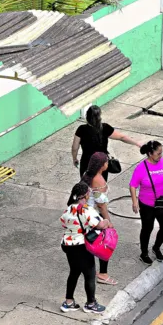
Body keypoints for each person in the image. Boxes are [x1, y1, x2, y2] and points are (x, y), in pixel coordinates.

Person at [130, 141, 163, 265]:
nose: (160, 156)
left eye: (161, 153)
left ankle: (156, 247)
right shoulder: (141, 168)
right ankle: (144, 253)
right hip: (147, 204)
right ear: (150, 153)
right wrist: (134, 202)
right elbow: (133, 185)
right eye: (158, 153)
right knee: (147, 229)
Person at [60, 182, 111, 314]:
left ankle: (68, 302)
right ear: (85, 195)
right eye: (89, 193)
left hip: (68, 245)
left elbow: (64, 224)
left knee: (74, 272)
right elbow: (99, 225)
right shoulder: (87, 209)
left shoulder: (69, 208)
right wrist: (106, 221)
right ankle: (91, 304)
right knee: (90, 274)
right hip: (81, 246)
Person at [72, 105, 143, 181]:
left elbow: (75, 148)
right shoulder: (105, 128)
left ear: (87, 116)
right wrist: (137, 143)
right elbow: (122, 137)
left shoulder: (81, 129)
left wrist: (75, 159)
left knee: (86, 185)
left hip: (87, 162)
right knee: (101, 186)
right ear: (99, 117)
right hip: (102, 163)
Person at [81, 152, 117, 286]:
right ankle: (102, 274)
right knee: (105, 244)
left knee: (89, 242)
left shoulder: (87, 175)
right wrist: (108, 222)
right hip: (96, 216)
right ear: (102, 166)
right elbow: (101, 205)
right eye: (106, 162)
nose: (108, 164)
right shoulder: (99, 180)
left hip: (86, 215)